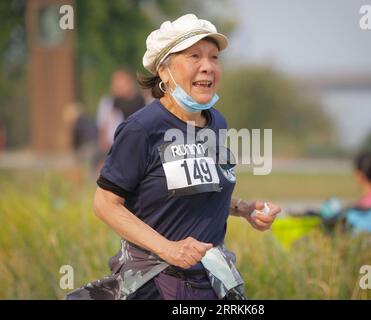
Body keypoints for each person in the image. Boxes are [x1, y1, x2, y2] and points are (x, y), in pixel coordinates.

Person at [66, 14, 281, 300]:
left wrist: (244, 209)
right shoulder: (142, 128)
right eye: (194, 56)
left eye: (214, 57)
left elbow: (196, 189)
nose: (208, 67)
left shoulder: (217, 122)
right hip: (154, 285)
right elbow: (105, 204)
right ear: (164, 71)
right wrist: (170, 249)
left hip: (211, 282)